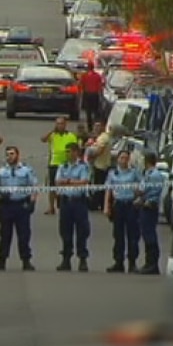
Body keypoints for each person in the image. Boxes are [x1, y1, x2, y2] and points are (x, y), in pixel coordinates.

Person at [0, 146, 37, 271]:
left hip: (21, 205)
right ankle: (1, 261)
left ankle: (26, 261)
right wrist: (1, 193)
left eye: (12, 154)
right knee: (5, 235)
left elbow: (34, 187)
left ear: (18, 155)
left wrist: (32, 202)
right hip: (7, 205)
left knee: (24, 235)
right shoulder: (1, 172)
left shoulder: (26, 171)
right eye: (7, 154)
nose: (9, 156)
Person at [54, 142, 92, 272]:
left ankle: (82, 259)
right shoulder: (62, 166)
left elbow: (84, 181)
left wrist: (68, 181)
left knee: (82, 231)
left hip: (79, 202)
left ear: (76, 152)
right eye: (66, 151)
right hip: (65, 202)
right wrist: (71, 182)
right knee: (65, 231)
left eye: (70, 151)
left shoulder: (83, 166)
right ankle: (66, 259)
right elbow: (58, 181)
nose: (67, 154)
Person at [103, 149, 141, 273]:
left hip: (130, 205)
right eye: (121, 158)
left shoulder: (134, 173)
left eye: (126, 158)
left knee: (132, 235)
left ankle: (132, 262)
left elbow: (141, 187)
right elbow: (108, 190)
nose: (124, 160)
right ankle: (118, 262)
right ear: (118, 159)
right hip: (118, 205)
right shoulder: (112, 173)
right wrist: (106, 206)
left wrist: (138, 197)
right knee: (118, 235)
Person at [40, 116, 78, 215]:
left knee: (65, 185)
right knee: (52, 186)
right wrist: (52, 131)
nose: (59, 125)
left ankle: (64, 205)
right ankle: (51, 207)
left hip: (66, 164)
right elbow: (43, 139)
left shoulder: (71, 136)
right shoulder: (52, 135)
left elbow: (75, 148)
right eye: (57, 123)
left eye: (61, 123)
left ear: (65, 125)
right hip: (54, 163)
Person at [134, 151, 163, 275]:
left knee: (150, 235)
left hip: (149, 207)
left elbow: (152, 191)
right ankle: (148, 263)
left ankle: (153, 264)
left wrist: (140, 194)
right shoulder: (147, 173)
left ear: (147, 161)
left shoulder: (155, 175)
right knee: (146, 235)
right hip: (144, 206)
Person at [85, 122, 113, 210]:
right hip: (100, 164)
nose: (96, 128)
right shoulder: (99, 137)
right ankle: (99, 203)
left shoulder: (103, 138)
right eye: (95, 126)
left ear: (103, 127)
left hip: (101, 166)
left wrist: (91, 157)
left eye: (98, 126)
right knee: (99, 186)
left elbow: (100, 151)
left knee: (98, 186)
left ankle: (95, 204)